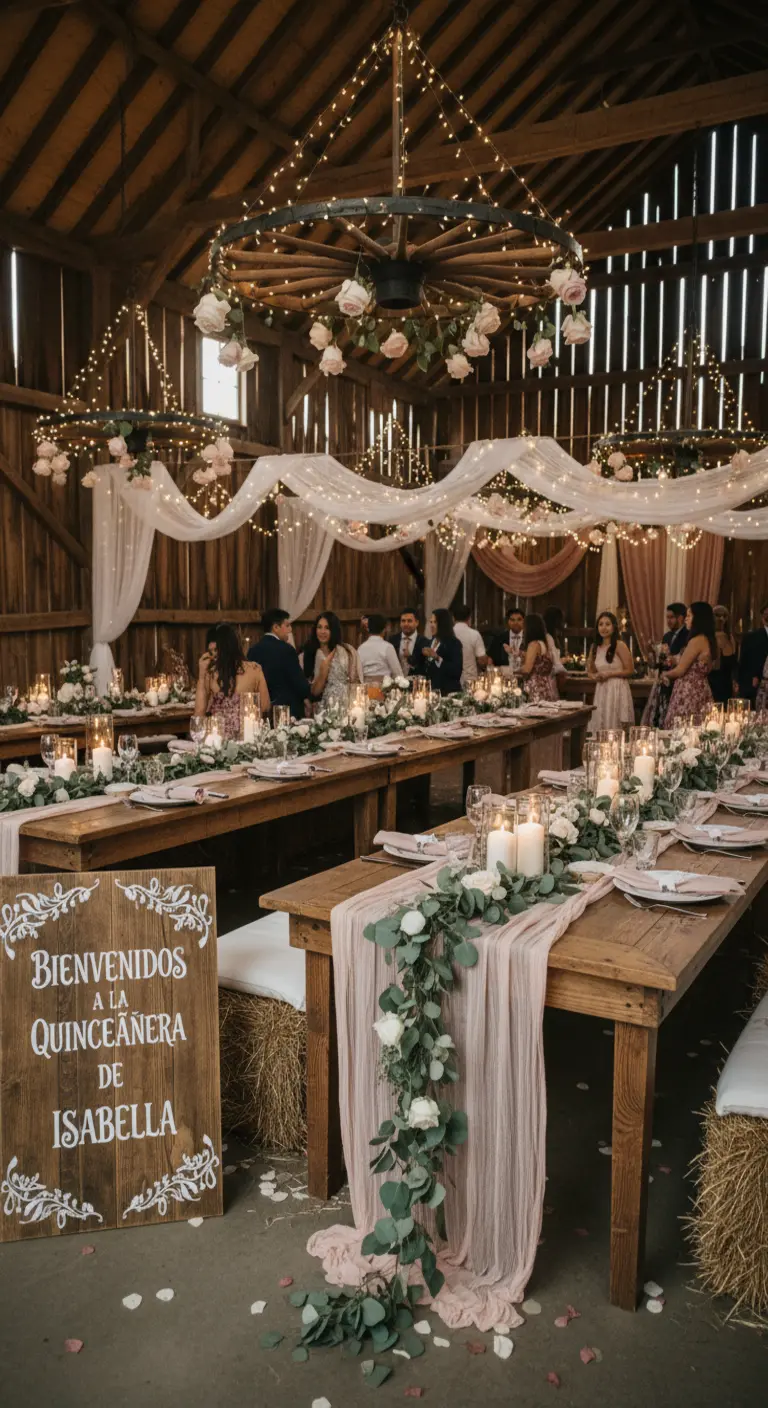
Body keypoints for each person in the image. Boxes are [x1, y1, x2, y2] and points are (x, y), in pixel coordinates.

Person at [195, 622, 270, 739]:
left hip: (220, 739)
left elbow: (199, 715)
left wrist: (202, 675)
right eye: (210, 652)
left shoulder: (211, 674)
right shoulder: (255, 669)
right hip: (245, 738)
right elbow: (265, 707)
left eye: (216, 651)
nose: (213, 656)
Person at [247, 607, 311, 719]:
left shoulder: (252, 651)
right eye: (287, 625)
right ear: (276, 627)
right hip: (288, 712)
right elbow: (301, 685)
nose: (290, 630)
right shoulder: (286, 650)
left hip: (262, 712)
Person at [665, 602, 716, 726]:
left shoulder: (697, 640)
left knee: (684, 727)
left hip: (689, 691)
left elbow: (680, 670)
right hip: (701, 688)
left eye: (689, 615)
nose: (686, 619)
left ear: (698, 618)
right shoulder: (709, 639)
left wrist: (665, 674)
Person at [302, 611, 362, 714]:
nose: (322, 631)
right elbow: (314, 691)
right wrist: (323, 671)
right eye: (319, 627)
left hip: (348, 704)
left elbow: (356, 680)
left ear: (333, 630)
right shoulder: (312, 653)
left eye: (327, 628)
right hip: (325, 707)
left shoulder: (346, 650)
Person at [641, 600, 690, 727]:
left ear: (681, 618)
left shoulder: (688, 635)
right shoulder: (667, 636)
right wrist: (651, 652)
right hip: (663, 684)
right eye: (667, 617)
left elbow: (683, 661)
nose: (668, 621)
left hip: (678, 684)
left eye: (671, 617)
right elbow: (659, 662)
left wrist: (670, 659)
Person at [586, 611, 634, 734]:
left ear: (614, 627)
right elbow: (590, 671)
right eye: (601, 624)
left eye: (607, 624)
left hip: (617, 688)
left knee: (616, 727)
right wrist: (595, 676)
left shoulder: (619, 645)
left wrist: (609, 674)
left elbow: (630, 670)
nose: (604, 628)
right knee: (602, 726)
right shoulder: (594, 647)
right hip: (602, 688)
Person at [420, 609, 463, 695]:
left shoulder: (454, 643)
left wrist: (437, 658)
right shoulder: (430, 642)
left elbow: (456, 671)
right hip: (431, 692)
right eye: (431, 622)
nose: (432, 625)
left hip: (448, 693)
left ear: (443, 624)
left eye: (435, 622)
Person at [520, 613, 558, 702]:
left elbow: (527, 669)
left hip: (536, 688)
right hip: (546, 686)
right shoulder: (544, 643)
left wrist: (513, 670)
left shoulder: (533, 645)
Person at [738, 601, 768, 706]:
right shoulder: (751, 638)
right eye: (766, 614)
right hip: (758, 688)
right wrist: (750, 678)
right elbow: (744, 663)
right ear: (762, 617)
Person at [452, 603, 489, 686]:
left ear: (453, 618)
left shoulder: (447, 634)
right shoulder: (474, 634)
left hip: (451, 680)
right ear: (469, 618)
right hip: (470, 681)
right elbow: (482, 661)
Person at [357, 612, 400, 681]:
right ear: (384, 630)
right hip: (384, 686)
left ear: (368, 629)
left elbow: (358, 672)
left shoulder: (361, 648)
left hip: (366, 686)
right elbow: (397, 672)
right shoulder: (388, 647)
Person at [389, 607, 430, 677]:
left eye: (409, 621)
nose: (406, 624)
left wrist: (410, 658)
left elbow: (426, 668)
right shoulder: (392, 640)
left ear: (417, 623)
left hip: (415, 681)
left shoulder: (424, 642)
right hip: (395, 681)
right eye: (403, 621)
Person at [710, 604, 737, 705]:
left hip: (727, 683)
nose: (721, 618)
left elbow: (734, 663)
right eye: (717, 615)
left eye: (724, 616)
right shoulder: (709, 637)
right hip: (712, 682)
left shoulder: (730, 637)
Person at [543, 604, 567, 677]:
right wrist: (562, 661)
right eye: (562, 620)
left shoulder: (553, 637)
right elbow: (550, 663)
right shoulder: (547, 638)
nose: (563, 624)